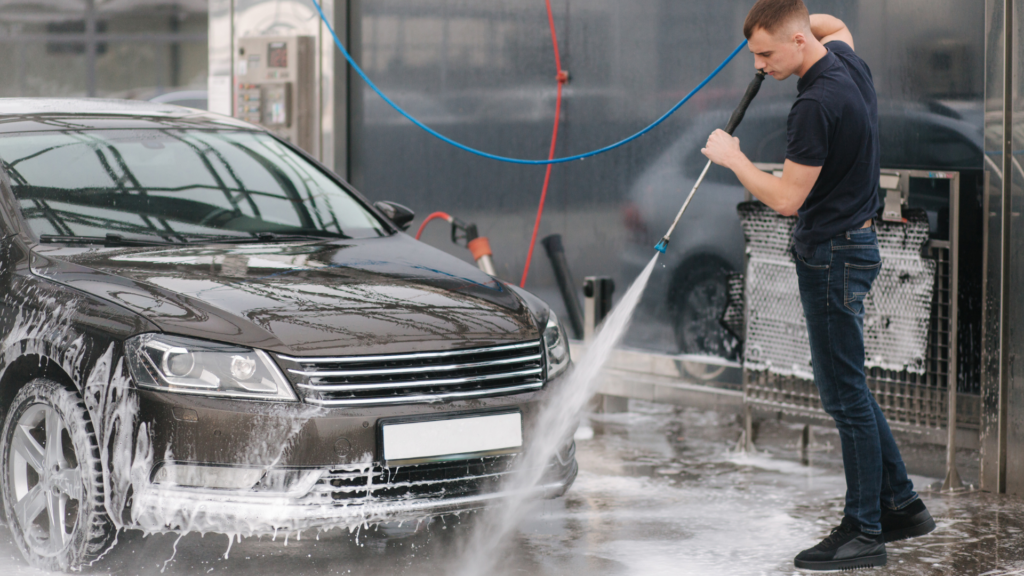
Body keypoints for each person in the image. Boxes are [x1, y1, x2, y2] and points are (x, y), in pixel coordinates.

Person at [700, 0, 937, 571]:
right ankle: (901, 503)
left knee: (844, 397)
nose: (758, 67)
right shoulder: (846, 65)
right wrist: (788, 26)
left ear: (799, 43)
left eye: (765, 53)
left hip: (832, 257)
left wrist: (734, 157)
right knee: (851, 387)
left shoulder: (813, 105)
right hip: (854, 246)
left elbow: (785, 199)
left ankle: (864, 531)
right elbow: (831, 26)